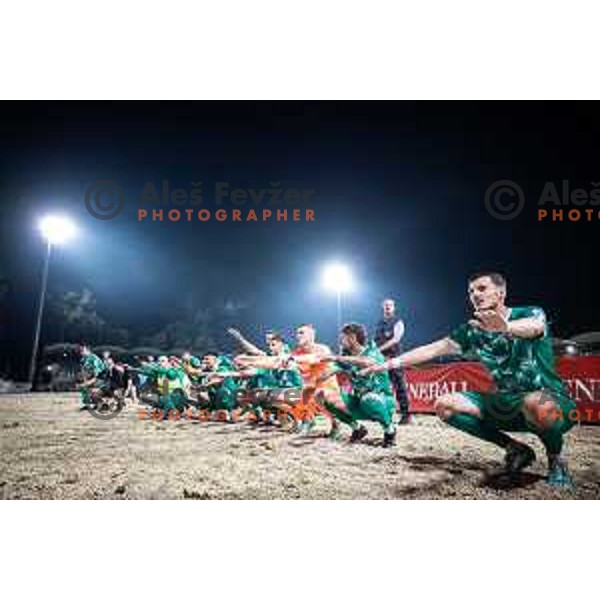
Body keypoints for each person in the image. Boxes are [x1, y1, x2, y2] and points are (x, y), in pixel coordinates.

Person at [361, 272, 577, 486]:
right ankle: (515, 448)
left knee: (534, 402)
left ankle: (556, 459)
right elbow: (434, 348)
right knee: (445, 405)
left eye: (482, 288)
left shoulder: (529, 312)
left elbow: (536, 326)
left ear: (501, 293)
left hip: (555, 403)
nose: (475, 294)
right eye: (471, 291)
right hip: (508, 404)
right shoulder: (473, 329)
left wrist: (506, 327)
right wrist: (387, 363)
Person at [323, 323, 397, 446]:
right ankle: (358, 429)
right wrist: (313, 364)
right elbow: (328, 372)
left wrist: (336, 357)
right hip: (360, 401)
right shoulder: (347, 356)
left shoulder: (372, 351)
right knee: (329, 398)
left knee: (368, 398)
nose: (340, 341)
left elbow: (367, 362)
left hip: (382, 401)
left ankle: (389, 431)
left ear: (352, 337)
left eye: (342, 338)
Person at [291, 323, 347, 437]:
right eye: (297, 333)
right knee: (299, 393)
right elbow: (289, 365)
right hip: (310, 388)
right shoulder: (296, 352)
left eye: (301, 333)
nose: (298, 336)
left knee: (318, 395)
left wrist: (293, 359)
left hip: (328, 388)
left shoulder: (323, 349)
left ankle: (337, 424)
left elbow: (313, 359)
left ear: (312, 335)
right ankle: (307, 421)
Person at [374, 298, 410, 424]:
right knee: (381, 387)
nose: (388, 307)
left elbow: (396, 339)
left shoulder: (398, 321)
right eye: (385, 305)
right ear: (382, 307)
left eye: (390, 305)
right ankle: (384, 413)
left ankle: (406, 415)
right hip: (381, 359)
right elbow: (376, 341)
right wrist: (373, 351)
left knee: (399, 386)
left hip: (394, 358)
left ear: (394, 308)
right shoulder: (379, 323)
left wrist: (378, 349)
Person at [78, 345, 106, 409]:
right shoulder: (83, 359)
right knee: (83, 387)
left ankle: (99, 403)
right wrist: (85, 380)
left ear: (88, 350)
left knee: (90, 389)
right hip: (91, 377)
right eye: (80, 351)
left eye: (83, 350)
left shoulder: (93, 358)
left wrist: (92, 381)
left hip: (100, 378)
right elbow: (83, 370)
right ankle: (88, 404)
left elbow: (97, 370)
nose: (81, 352)